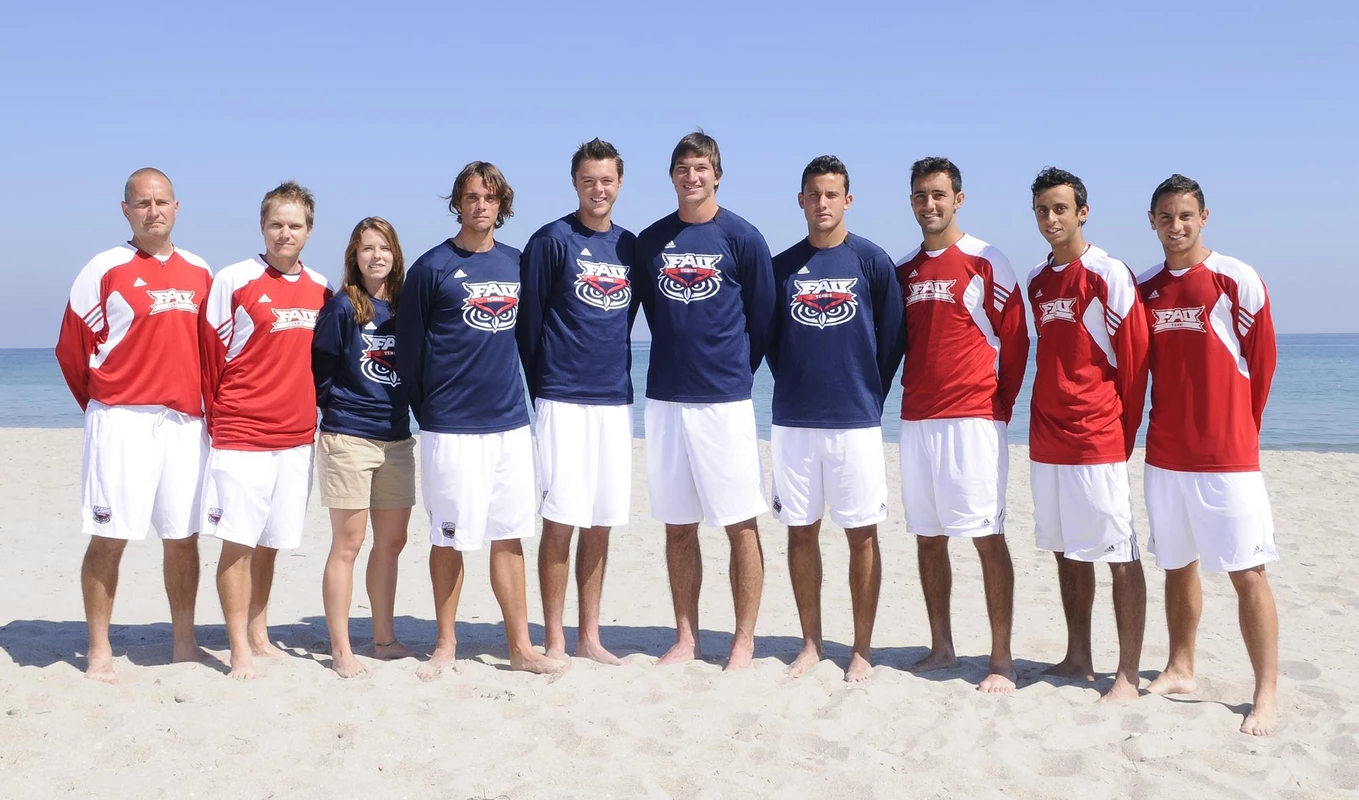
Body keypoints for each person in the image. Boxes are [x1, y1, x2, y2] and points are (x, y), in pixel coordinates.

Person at [396, 161, 566, 679]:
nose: (480, 206)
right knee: (449, 538)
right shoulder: (431, 268)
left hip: (510, 426)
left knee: (509, 535)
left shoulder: (518, 264)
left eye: (490, 198)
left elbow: (533, 341)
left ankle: (520, 646)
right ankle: (445, 644)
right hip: (450, 428)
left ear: (502, 205)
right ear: (458, 202)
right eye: (471, 197)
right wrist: (431, 413)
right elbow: (408, 355)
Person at [55, 167, 213, 684]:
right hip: (122, 421)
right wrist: (106, 406)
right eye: (142, 203)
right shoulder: (104, 268)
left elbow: (212, 350)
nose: (154, 211)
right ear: (126, 210)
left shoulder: (199, 271)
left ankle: (184, 641)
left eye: (162, 201)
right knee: (110, 537)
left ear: (176, 206)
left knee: (183, 536)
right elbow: (71, 350)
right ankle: (99, 650)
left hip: (184, 424)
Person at [1137, 174, 1279, 736]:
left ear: (1204, 217)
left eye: (1186, 216)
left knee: (1247, 571)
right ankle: (1181, 666)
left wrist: (1240, 430)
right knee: (1176, 563)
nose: (1176, 226)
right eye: (1166, 217)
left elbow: (1260, 365)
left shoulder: (1234, 278)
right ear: (1152, 221)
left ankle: (1265, 693)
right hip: (1165, 452)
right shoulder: (1145, 286)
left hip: (1227, 456)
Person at [632, 130, 776, 671]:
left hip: (724, 401)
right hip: (666, 399)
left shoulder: (742, 237)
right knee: (677, 524)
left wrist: (735, 371)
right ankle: (687, 637)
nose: (692, 177)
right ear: (672, 177)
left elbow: (762, 319)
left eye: (701, 168)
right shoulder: (651, 242)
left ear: (716, 174)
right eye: (682, 169)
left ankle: (743, 640)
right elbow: (642, 307)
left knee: (740, 521)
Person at [767, 156, 904, 682]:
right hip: (794, 421)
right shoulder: (782, 268)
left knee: (861, 535)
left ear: (847, 200)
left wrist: (866, 392)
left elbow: (891, 340)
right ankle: (810, 642)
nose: (822, 204)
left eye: (832, 195)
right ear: (800, 200)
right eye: (813, 194)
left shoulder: (871, 262)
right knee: (800, 533)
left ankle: (862, 649)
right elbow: (771, 342)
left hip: (856, 422)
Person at [895, 157, 1029, 694]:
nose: (931, 205)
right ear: (912, 202)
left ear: (958, 199)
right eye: (922, 196)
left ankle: (1001, 658)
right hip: (917, 419)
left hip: (973, 418)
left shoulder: (985, 261)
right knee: (928, 538)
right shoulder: (904, 270)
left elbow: (1015, 339)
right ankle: (942, 646)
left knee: (985, 536)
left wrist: (1001, 404)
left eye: (940, 195)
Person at [1025, 167, 1149, 702]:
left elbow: (1136, 361)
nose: (1051, 219)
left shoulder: (1107, 272)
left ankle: (1125, 674)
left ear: (1082, 211)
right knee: (1066, 550)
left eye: (1060, 209)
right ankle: (1078, 657)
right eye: (1042, 210)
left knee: (1118, 553)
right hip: (1047, 436)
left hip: (1095, 435)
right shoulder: (1035, 280)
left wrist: (1120, 434)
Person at [199, 181, 333, 679]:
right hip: (241, 435)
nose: (285, 233)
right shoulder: (233, 280)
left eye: (294, 225)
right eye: (276, 224)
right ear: (262, 226)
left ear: (309, 231)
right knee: (238, 540)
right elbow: (208, 356)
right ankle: (238, 648)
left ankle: (260, 632)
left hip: (296, 437)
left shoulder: (322, 288)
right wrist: (220, 419)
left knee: (272, 541)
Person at [518, 139, 637, 665]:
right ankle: (554, 638)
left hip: (614, 400)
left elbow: (626, 317)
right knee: (561, 517)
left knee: (601, 519)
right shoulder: (550, 241)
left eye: (607, 180)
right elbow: (529, 324)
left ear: (620, 183)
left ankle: (590, 636)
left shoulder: (631, 246)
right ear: (575, 183)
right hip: (562, 398)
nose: (598, 190)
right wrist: (545, 382)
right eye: (589, 180)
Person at [312, 217, 416, 678]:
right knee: (348, 544)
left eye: (384, 247)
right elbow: (321, 372)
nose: (376, 255)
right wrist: (341, 413)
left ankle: (383, 638)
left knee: (392, 542)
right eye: (366, 248)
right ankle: (341, 649)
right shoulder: (341, 308)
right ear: (354, 256)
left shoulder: (408, 308)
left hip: (396, 437)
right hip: (349, 437)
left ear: (395, 254)